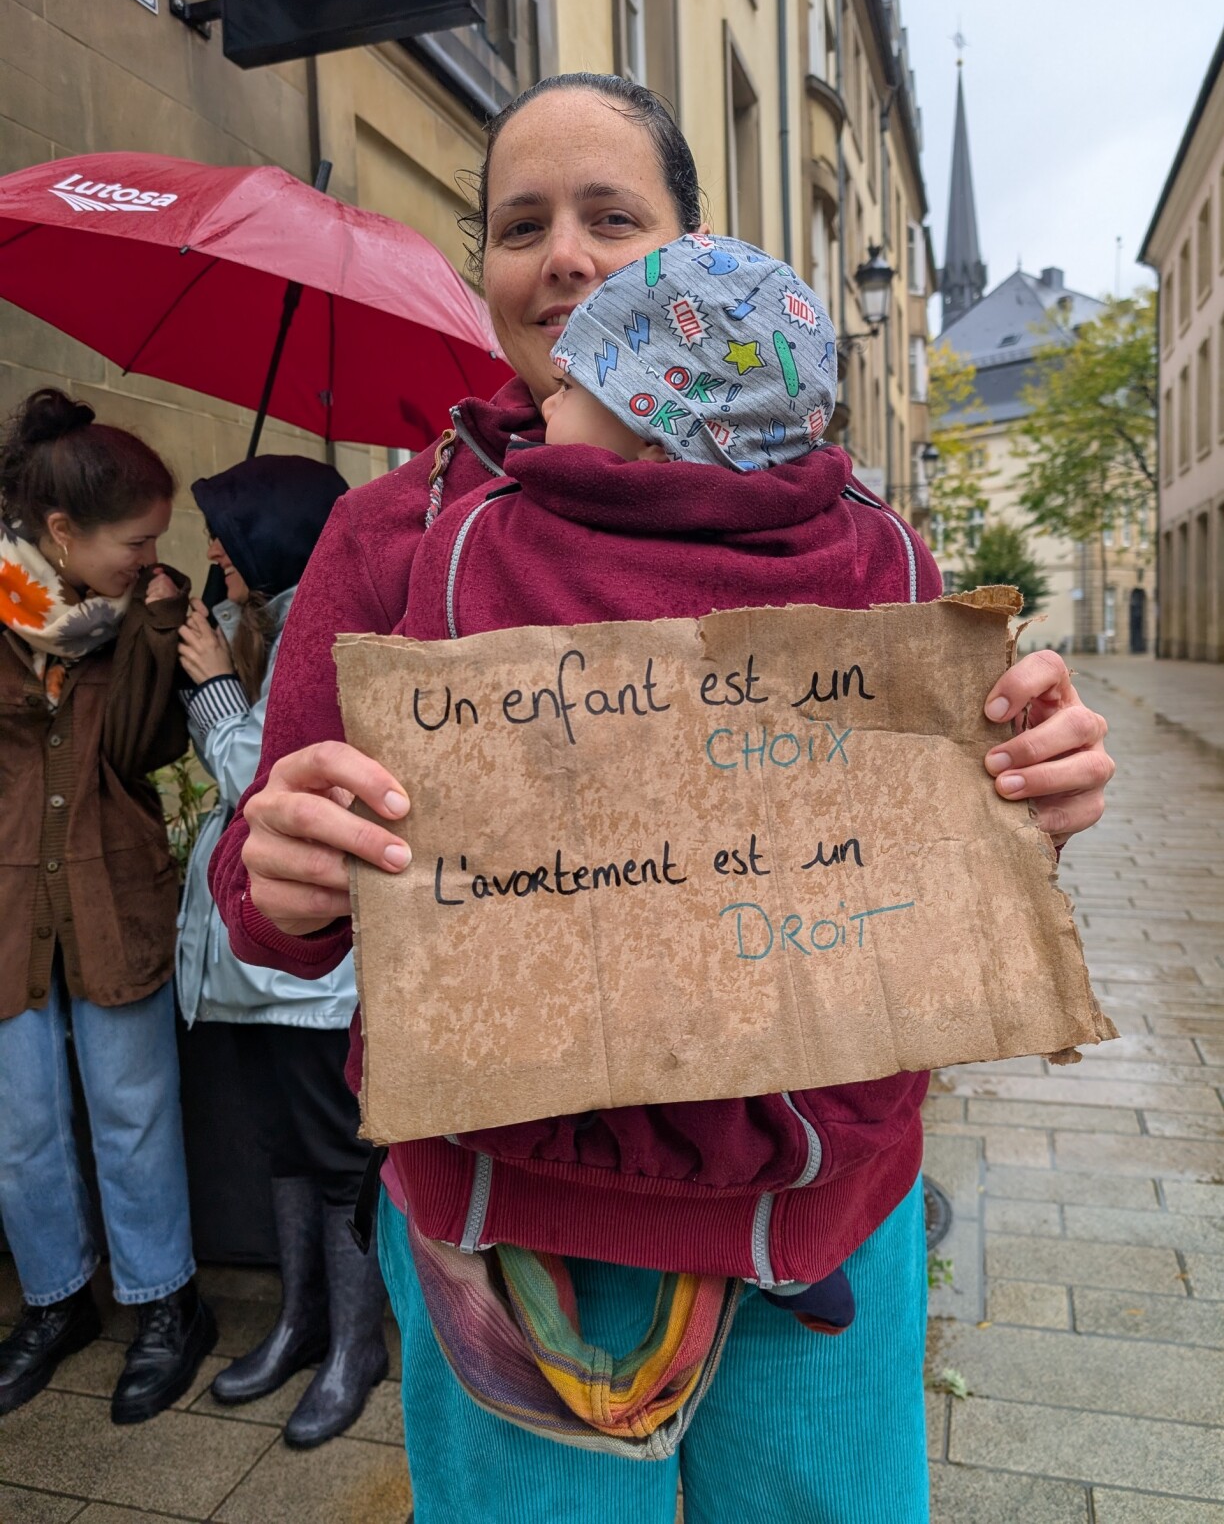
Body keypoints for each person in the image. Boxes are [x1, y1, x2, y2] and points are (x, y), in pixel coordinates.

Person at [208, 76, 1116, 1522]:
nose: (561, 253)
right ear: (485, 265)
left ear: (694, 253)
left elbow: (949, 843)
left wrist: (1031, 786)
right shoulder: (393, 533)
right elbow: (267, 905)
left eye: (610, 216)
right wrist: (289, 863)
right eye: (519, 224)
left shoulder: (858, 542)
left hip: (820, 1218)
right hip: (514, 1228)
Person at [0, 388, 216, 1424]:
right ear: (58, 533)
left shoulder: (142, 615)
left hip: (110, 889)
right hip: (6, 906)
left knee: (134, 1113)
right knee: (21, 1122)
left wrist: (165, 624)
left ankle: (167, 1302)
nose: (148, 556)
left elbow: (144, 751)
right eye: (135, 541)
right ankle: (55, 1303)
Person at [173, 453, 387, 1448]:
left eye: (228, 530)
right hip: (250, 968)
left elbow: (256, 782)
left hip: (309, 973)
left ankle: (354, 1344)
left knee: (336, 1157)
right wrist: (215, 623)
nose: (213, 547)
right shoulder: (266, 613)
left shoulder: (322, 623)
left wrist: (213, 689)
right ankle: (303, 1325)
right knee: (286, 1152)